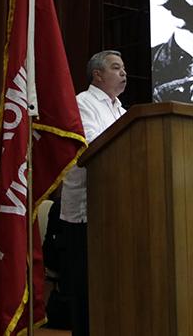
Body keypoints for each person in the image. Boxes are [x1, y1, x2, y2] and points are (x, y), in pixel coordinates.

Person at [59, 51, 127, 336]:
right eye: (116, 67)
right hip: (85, 214)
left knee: (114, 289)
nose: (123, 73)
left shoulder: (123, 111)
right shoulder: (82, 103)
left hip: (117, 212)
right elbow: (92, 147)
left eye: (123, 68)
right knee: (86, 292)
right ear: (97, 75)